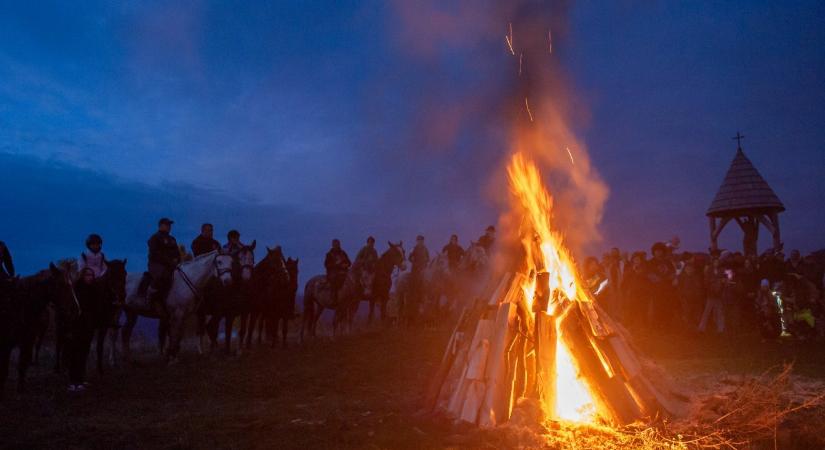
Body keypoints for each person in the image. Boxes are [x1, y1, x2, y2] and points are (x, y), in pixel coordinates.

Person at [66, 268, 98, 392]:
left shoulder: (93, 290)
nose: (90, 277)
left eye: (92, 275)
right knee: (75, 353)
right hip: (77, 326)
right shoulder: (76, 289)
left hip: (88, 326)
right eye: (88, 275)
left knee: (84, 352)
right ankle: (73, 381)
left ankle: (80, 379)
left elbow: (94, 307)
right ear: (83, 276)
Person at [141, 218, 180, 307]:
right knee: (161, 276)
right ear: (161, 226)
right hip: (156, 264)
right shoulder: (155, 238)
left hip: (171, 265)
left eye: (169, 225)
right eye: (167, 225)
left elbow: (177, 252)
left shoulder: (172, 239)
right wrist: (168, 261)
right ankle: (151, 295)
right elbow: (154, 254)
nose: (169, 227)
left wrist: (177, 260)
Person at [647, 242, 676, 330]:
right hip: (655, 290)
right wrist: (655, 278)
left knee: (667, 307)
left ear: (663, 252)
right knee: (656, 308)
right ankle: (656, 325)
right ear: (654, 252)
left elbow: (672, 273)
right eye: (656, 251)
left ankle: (666, 325)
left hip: (667, 289)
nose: (658, 253)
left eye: (660, 251)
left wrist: (670, 278)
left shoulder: (668, 262)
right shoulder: (650, 262)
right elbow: (648, 274)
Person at [407, 235, 430, 324]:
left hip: (423, 269)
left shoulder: (425, 249)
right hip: (415, 269)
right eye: (419, 240)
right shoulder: (414, 248)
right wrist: (415, 262)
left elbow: (428, 258)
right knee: (413, 281)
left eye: (422, 240)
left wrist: (425, 261)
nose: (420, 242)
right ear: (417, 241)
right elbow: (409, 257)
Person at [324, 239, 351, 304]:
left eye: (337, 244)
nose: (336, 246)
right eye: (335, 245)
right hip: (333, 272)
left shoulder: (343, 253)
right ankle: (333, 298)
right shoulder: (329, 254)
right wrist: (336, 265)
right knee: (334, 280)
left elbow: (349, 262)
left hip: (344, 272)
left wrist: (346, 265)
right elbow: (326, 264)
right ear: (333, 245)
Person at [604, 248, 624, 319]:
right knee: (611, 304)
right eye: (612, 253)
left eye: (615, 253)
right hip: (611, 287)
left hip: (620, 287)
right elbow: (606, 275)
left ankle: (618, 318)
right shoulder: (608, 264)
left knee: (619, 304)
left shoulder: (621, 263)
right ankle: (612, 319)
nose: (614, 254)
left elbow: (623, 275)